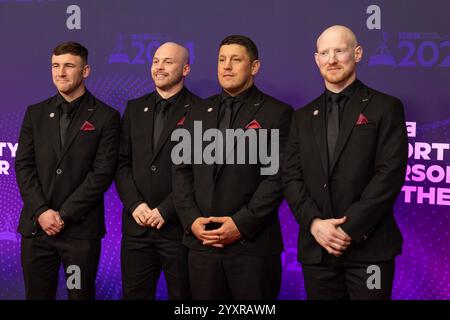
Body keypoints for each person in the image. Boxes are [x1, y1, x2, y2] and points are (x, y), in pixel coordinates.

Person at [282, 25, 408, 299]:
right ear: (316, 59)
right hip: (318, 250)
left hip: (369, 250)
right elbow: (291, 177)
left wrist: (347, 229)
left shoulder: (385, 107)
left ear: (358, 53)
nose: (332, 59)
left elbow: (389, 174)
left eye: (339, 50)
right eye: (324, 53)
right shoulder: (302, 117)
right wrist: (315, 224)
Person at [173, 35, 293, 299]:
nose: (226, 66)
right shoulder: (196, 111)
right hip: (201, 244)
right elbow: (181, 172)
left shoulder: (277, 113)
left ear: (255, 67)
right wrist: (192, 220)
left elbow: (277, 177)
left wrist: (240, 224)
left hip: (252, 248)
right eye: (221, 60)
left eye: (236, 60)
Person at [16, 42, 120, 299]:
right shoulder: (35, 113)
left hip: (79, 234)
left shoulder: (106, 117)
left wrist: (63, 215)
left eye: (68, 66)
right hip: (36, 230)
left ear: (85, 71)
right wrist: (41, 211)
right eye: (55, 66)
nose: (60, 73)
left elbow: (102, 173)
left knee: (79, 295)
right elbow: (24, 166)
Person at [116, 42, 199, 299]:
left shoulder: (203, 112)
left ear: (185, 69)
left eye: (168, 62)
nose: (159, 68)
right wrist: (135, 204)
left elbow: (201, 173)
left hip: (179, 229)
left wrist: (166, 209)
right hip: (137, 229)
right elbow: (121, 163)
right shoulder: (133, 108)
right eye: (155, 61)